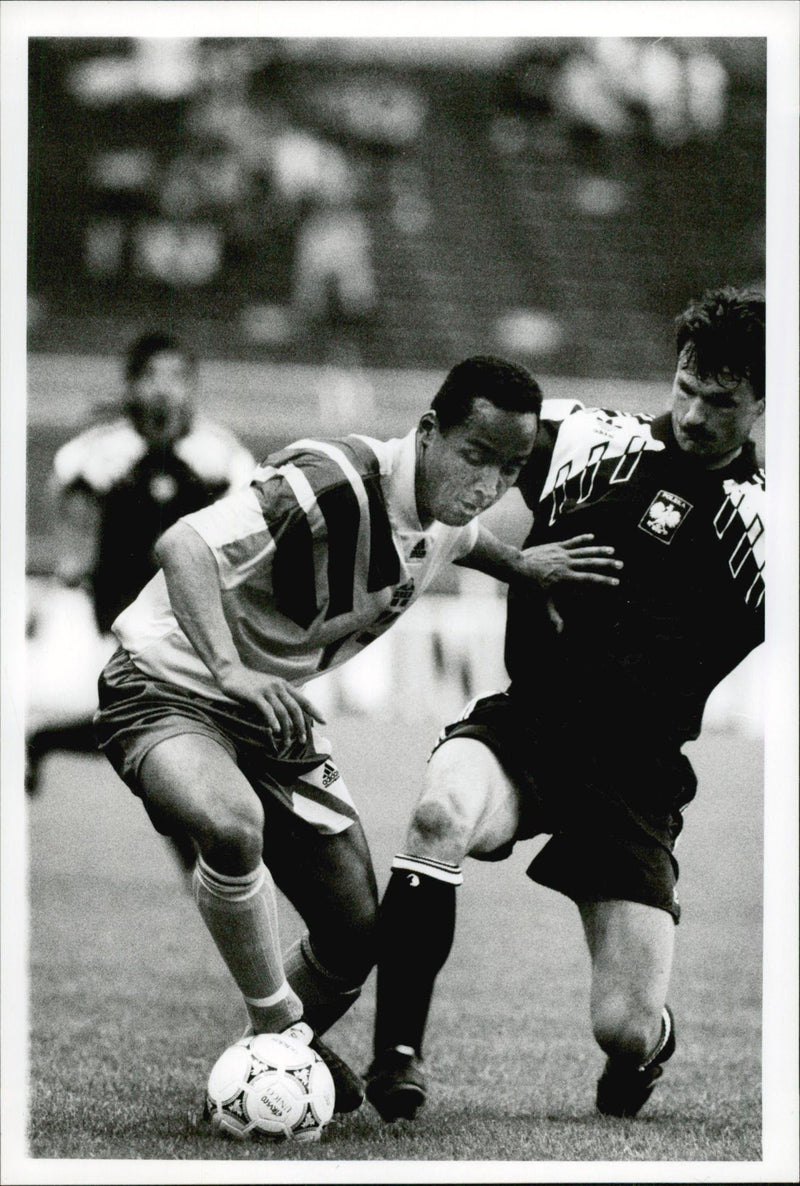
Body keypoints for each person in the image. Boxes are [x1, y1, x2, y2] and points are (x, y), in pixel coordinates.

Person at [93, 355, 621, 1113]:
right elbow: (183, 545)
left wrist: (524, 566)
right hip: (165, 685)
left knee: (354, 933)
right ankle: (277, 1032)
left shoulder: (440, 508)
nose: (487, 486)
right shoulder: (330, 481)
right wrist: (230, 670)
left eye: (510, 470)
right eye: (476, 458)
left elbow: (464, 538)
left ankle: (257, 1082)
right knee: (232, 827)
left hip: (271, 718)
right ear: (429, 431)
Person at [366, 287, 765, 1122]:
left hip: (636, 777)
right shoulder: (587, 436)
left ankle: (649, 1045)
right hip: (530, 728)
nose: (693, 414)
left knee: (620, 1027)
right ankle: (396, 1057)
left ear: (760, 402)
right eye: (685, 388)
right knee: (439, 814)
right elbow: (443, 469)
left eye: (720, 403)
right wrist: (513, 561)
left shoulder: (766, 533)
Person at [26, 331, 255, 803]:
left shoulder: (220, 453)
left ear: (193, 387)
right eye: (151, 376)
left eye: (177, 377)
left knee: (164, 737)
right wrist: (72, 554)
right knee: (179, 740)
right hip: (124, 606)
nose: (164, 389)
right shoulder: (102, 447)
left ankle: (43, 739)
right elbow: (62, 493)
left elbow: (246, 526)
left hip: (193, 610)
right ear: (131, 386)